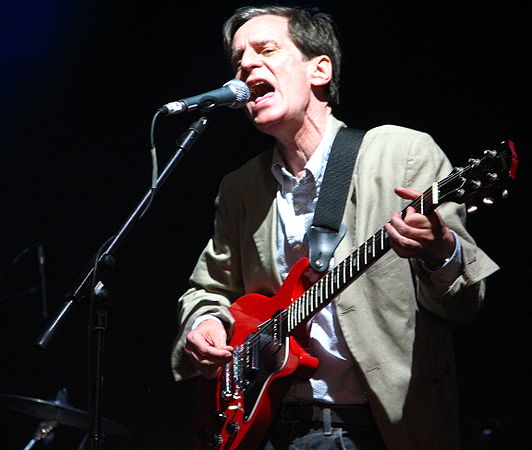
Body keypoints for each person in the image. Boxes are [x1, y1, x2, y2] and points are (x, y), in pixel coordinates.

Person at [171, 5, 499, 449]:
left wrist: (439, 249)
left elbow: (465, 302)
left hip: (379, 428)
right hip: (264, 425)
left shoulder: (402, 153)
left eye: (266, 49)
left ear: (319, 69)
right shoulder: (240, 188)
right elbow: (208, 287)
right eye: (238, 60)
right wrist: (206, 322)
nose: (246, 64)